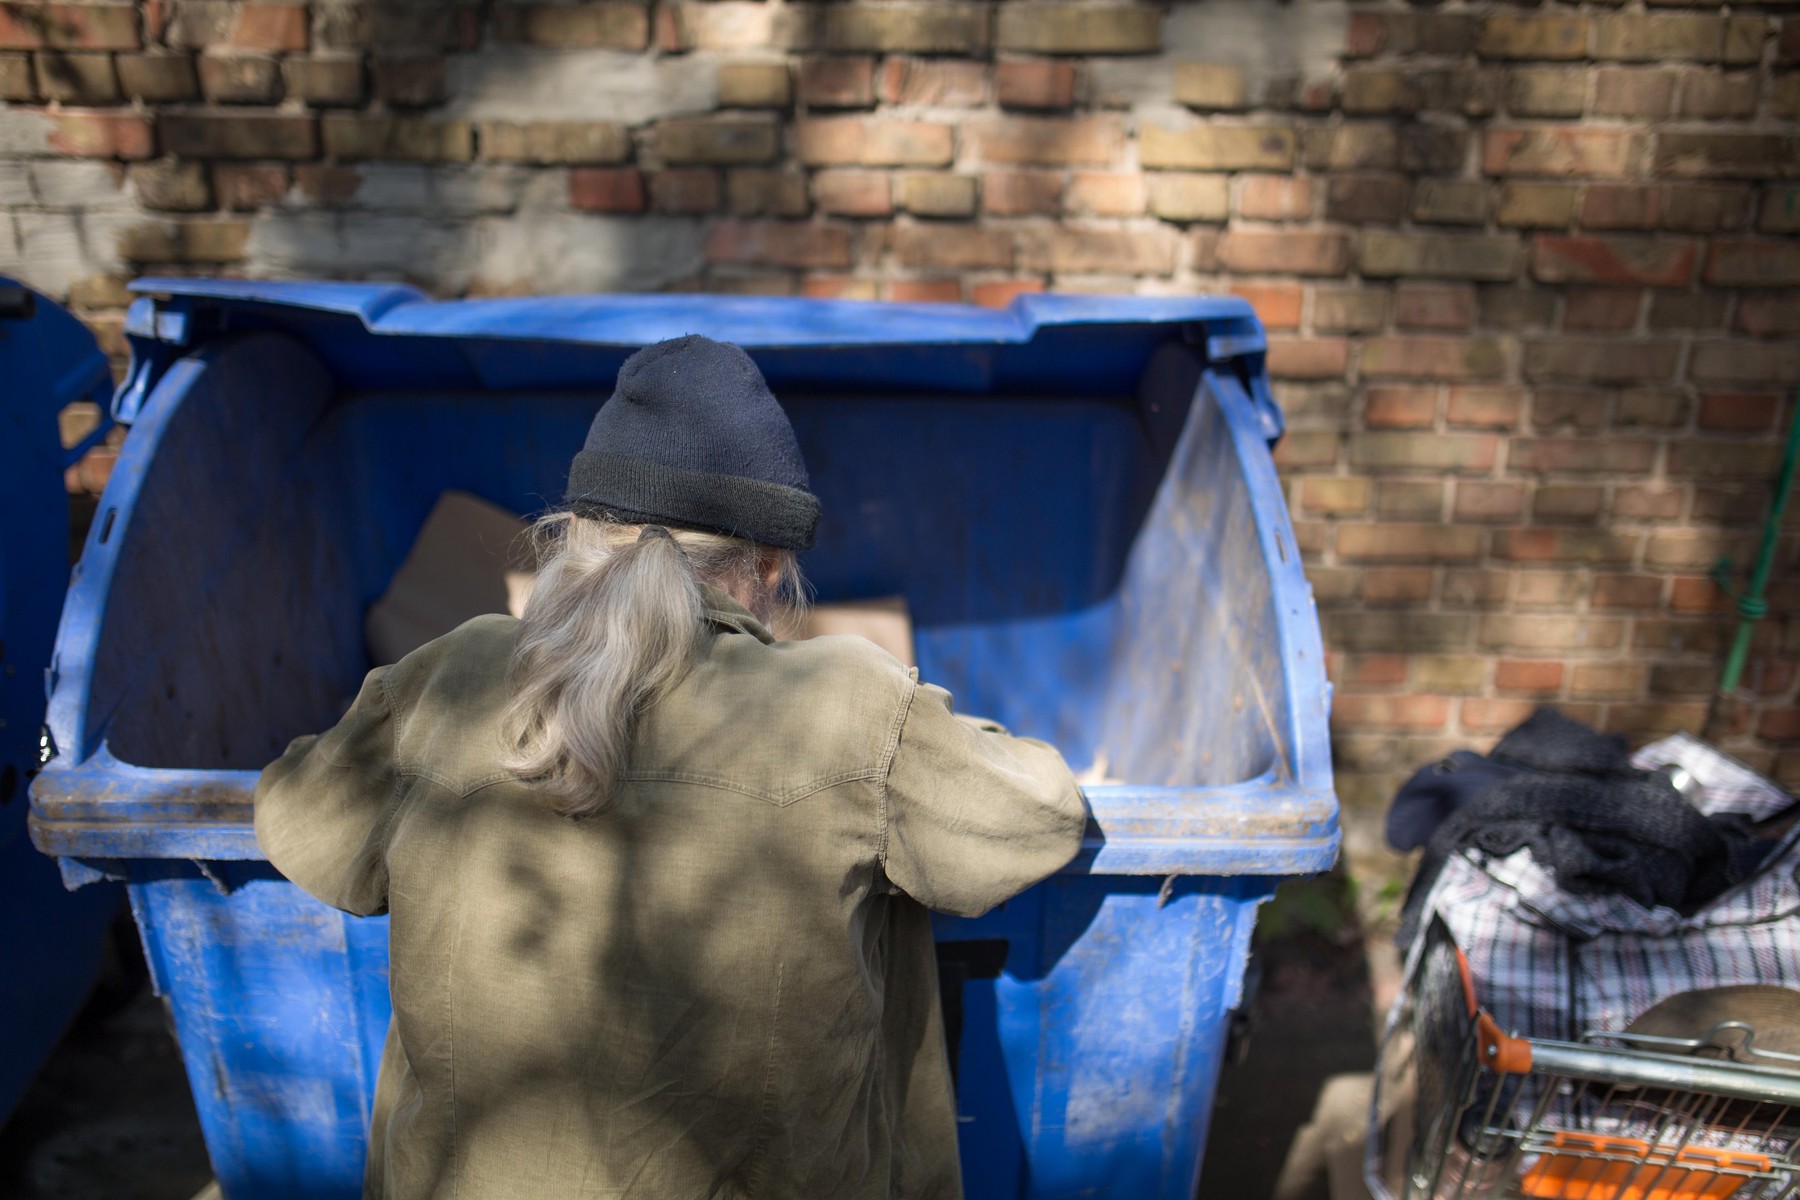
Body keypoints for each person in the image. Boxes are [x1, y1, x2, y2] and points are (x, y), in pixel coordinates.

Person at [254, 334, 1089, 1200]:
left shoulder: (452, 676)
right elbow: (1039, 815)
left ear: (575, 542)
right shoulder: (850, 706)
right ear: (765, 567)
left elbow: (295, 819)